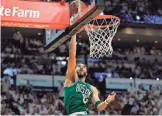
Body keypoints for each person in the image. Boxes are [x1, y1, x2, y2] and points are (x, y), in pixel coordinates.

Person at [64, 34, 116, 115]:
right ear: (74, 70)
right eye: (78, 66)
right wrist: (74, 33)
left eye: (83, 67)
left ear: (87, 73)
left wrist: (107, 101)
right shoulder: (70, 80)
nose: (81, 67)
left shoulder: (92, 89)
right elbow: (72, 55)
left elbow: (99, 107)